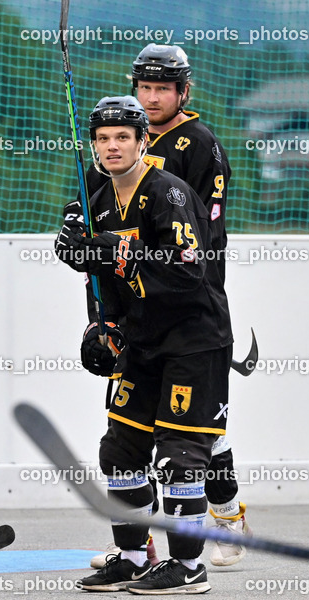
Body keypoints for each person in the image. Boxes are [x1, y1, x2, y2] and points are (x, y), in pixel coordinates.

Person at [71, 44, 248, 568]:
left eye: (162, 89)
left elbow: (196, 238)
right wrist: (102, 317)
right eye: (143, 88)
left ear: (182, 91)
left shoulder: (198, 146)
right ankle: (138, 543)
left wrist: (190, 300)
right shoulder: (114, 144)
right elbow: (102, 248)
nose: (150, 98)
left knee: (194, 440)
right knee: (128, 441)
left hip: (187, 304)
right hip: (138, 310)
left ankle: (226, 512)